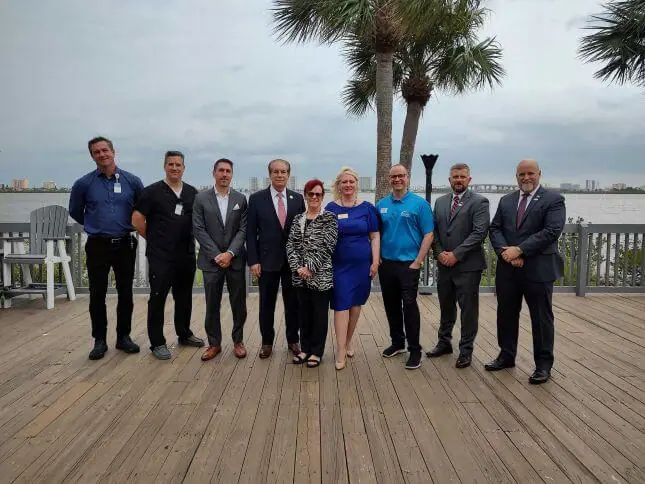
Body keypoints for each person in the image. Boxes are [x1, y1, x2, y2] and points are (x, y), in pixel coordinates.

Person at [487, 159, 565, 384]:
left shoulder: (554, 200)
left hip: (538, 269)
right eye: (521, 174)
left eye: (530, 173)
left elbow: (551, 231)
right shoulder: (506, 200)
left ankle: (543, 365)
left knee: (541, 318)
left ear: (539, 174)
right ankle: (506, 356)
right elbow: (495, 228)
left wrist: (520, 250)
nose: (526, 178)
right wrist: (506, 253)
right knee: (506, 314)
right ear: (516, 177)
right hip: (508, 269)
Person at [69, 136, 143, 360]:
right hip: (97, 245)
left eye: (105, 150)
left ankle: (123, 337)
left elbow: (142, 209)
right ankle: (99, 340)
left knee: (125, 293)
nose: (102, 154)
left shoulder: (132, 181)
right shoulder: (84, 184)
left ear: (113, 151)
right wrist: (96, 224)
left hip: (125, 244)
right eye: (96, 152)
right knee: (97, 294)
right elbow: (75, 211)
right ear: (92, 156)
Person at [131, 151, 205, 360]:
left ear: (184, 168)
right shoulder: (151, 192)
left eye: (178, 165)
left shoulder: (192, 193)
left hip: (186, 254)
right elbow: (137, 220)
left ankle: (184, 334)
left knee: (184, 297)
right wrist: (155, 239)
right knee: (158, 298)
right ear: (165, 166)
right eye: (171, 164)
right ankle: (157, 342)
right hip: (161, 256)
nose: (174, 168)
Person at [426, 163, 490, 369]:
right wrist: (440, 253)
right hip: (445, 264)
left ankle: (465, 350)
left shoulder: (480, 202)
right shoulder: (441, 202)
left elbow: (479, 233)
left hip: (468, 266)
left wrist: (456, 254)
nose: (459, 180)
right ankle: (444, 343)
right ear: (450, 180)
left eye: (462, 177)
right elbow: (435, 231)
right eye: (455, 177)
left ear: (469, 179)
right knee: (446, 306)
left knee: (468, 310)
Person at [376, 164, 434, 370]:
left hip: (409, 264)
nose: (397, 179)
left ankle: (415, 349)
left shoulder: (420, 204)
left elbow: (428, 234)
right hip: (386, 264)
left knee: (409, 306)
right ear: (389, 179)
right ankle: (397, 343)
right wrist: (377, 257)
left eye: (401, 176)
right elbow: (376, 234)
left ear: (407, 177)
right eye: (393, 176)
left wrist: (418, 261)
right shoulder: (381, 205)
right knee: (391, 305)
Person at [247, 159, 305, 359]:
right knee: (266, 304)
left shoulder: (297, 199)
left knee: (293, 304)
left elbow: (302, 232)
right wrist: (253, 260)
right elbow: (250, 233)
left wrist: (302, 261)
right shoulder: (256, 199)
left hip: (292, 263)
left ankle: (293, 340)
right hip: (266, 261)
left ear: (288, 174)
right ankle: (267, 342)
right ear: (270, 174)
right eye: (276, 172)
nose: (280, 175)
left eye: (283, 172)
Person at [193, 159, 248, 361]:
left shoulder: (241, 199)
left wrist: (230, 253)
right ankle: (214, 344)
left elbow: (243, 229)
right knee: (212, 304)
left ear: (231, 174)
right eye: (221, 170)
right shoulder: (201, 198)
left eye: (228, 171)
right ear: (214, 173)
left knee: (239, 304)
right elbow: (198, 229)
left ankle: (238, 341)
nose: (225, 174)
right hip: (211, 261)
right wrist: (217, 255)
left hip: (235, 260)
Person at [325, 167, 380, 370]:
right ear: (338, 185)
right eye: (344, 182)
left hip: (361, 265)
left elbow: (374, 236)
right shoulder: (331, 208)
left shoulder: (367, 208)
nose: (348, 185)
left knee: (356, 305)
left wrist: (375, 261)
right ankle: (340, 350)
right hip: (338, 265)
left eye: (351, 181)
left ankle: (348, 341)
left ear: (357, 184)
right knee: (341, 305)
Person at [286, 179, 338, 367]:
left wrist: (310, 268)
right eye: (311, 194)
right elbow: (290, 245)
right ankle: (305, 349)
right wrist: (298, 268)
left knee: (319, 316)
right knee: (304, 315)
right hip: (300, 278)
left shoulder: (329, 218)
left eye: (318, 194)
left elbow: (328, 246)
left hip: (320, 277)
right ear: (306, 196)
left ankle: (316, 352)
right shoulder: (298, 219)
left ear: (322, 196)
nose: (314, 197)